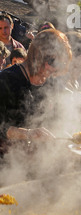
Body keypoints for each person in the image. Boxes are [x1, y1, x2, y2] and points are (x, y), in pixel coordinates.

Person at [0, 29, 72, 157]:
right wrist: (28, 133)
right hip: (8, 160)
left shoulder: (50, 82)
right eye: (53, 62)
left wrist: (63, 133)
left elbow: (53, 118)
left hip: (40, 158)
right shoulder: (7, 79)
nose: (56, 70)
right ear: (39, 56)